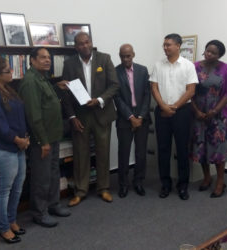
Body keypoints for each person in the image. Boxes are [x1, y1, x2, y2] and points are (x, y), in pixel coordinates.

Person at [61, 32, 119, 206]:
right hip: (80, 117)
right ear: (75, 47)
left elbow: (114, 85)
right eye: (80, 44)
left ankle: (104, 188)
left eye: (87, 42)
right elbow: (66, 92)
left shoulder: (104, 58)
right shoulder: (69, 63)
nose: (84, 46)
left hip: (102, 113)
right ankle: (80, 191)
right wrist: (71, 116)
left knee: (103, 152)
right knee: (80, 154)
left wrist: (100, 100)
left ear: (91, 43)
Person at [19, 47, 70, 228]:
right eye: (42, 57)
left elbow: (46, 101)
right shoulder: (30, 81)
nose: (47, 60)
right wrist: (43, 142)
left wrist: (56, 87)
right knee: (41, 177)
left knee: (53, 173)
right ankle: (39, 213)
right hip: (42, 140)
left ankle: (53, 204)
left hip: (53, 136)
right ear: (32, 60)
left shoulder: (43, 78)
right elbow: (34, 115)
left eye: (49, 57)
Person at [0, 56, 29, 243]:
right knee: (2, 191)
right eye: (7, 71)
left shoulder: (8, 90)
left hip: (17, 147)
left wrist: (24, 138)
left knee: (17, 188)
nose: (12, 72)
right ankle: (2, 228)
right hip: (0, 149)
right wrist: (17, 139)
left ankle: (11, 220)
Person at [150, 33, 198, 200]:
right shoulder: (158, 65)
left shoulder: (188, 66)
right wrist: (163, 106)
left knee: (182, 149)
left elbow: (191, 90)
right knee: (163, 149)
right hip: (162, 112)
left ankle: (183, 186)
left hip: (182, 112)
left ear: (178, 46)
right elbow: (154, 88)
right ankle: (165, 184)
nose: (165, 48)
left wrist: (175, 107)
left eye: (168, 45)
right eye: (164, 45)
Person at [190, 40, 227, 198]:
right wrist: (196, 110)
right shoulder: (195, 67)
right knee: (201, 148)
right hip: (199, 115)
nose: (209, 54)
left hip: (219, 117)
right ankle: (207, 177)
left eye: (213, 53)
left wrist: (215, 110)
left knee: (218, 150)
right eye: (207, 51)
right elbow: (189, 90)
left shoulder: (226, 69)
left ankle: (220, 181)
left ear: (219, 55)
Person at [114, 44, 151, 198]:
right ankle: (123, 184)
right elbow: (117, 97)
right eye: (122, 56)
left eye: (128, 56)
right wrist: (130, 117)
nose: (125, 59)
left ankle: (138, 182)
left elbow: (147, 95)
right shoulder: (115, 72)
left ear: (133, 55)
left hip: (142, 118)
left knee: (141, 153)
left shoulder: (143, 70)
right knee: (124, 153)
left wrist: (140, 117)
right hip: (124, 118)